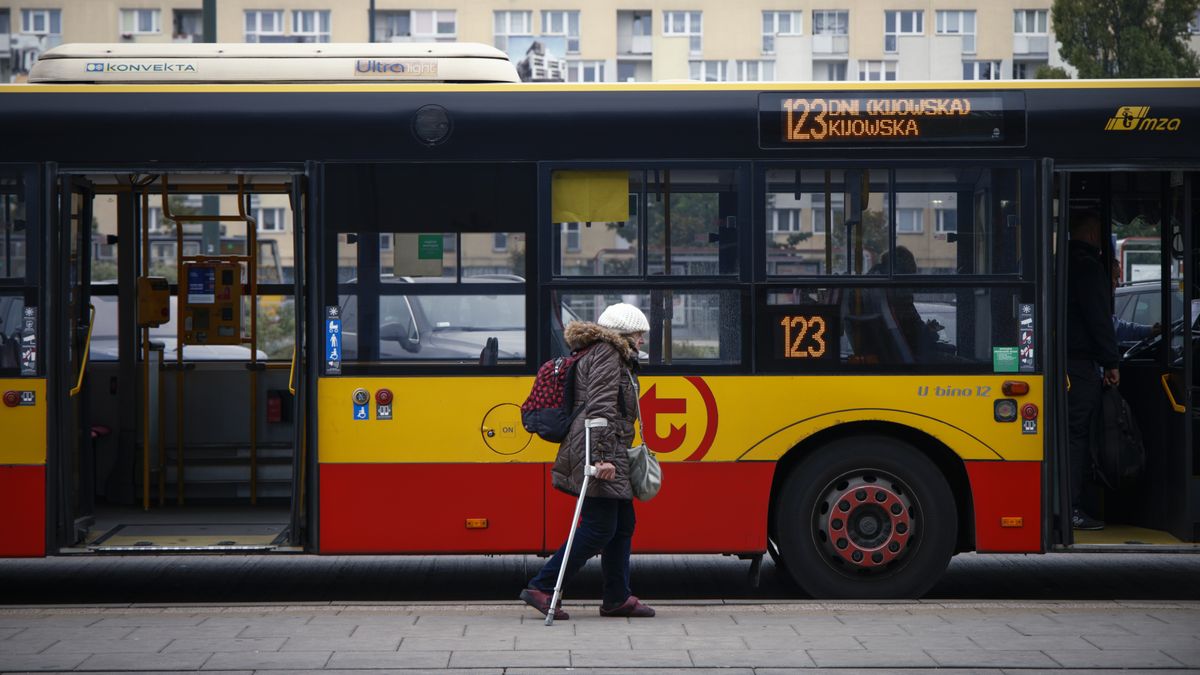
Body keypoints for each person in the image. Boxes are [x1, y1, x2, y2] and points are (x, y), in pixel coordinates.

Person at [519, 302, 655, 620]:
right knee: (598, 528)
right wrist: (603, 458)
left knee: (622, 524)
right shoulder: (608, 354)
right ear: (623, 333)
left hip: (607, 447)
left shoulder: (603, 353)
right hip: (599, 449)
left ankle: (617, 597)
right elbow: (600, 409)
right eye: (639, 334)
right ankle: (543, 586)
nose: (642, 341)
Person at [1065, 212, 1120, 531]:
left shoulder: (1060, 262)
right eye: (1101, 230)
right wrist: (1111, 362)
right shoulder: (1087, 266)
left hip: (1065, 364)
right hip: (1079, 366)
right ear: (1090, 232)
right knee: (1078, 435)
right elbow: (1099, 319)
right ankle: (1071, 506)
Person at [1111, 259, 1161, 343]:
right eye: (1115, 278)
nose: (1118, 284)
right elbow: (1118, 329)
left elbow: (1119, 327)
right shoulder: (1095, 305)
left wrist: (1150, 330)